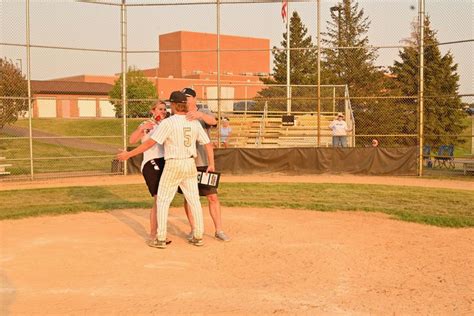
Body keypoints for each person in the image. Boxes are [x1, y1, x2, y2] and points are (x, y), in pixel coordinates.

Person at [117, 91, 214, 249]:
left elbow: (149, 144)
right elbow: (208, 144)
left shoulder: (168, 123)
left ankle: (160, 238)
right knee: (194, 200)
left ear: (174, 105)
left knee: (162, 200)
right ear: (185, 104)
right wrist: (211, 163)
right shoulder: (194, 122)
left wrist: (129, 154)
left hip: (173, 163)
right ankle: (198, 236)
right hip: (190, 164)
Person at [181, 87, 231, 242]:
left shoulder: (203, 112)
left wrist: (199, 115)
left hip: (203, 162)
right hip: (186, 162)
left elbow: (214, 121)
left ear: (195, 99)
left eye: (188, 97)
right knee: (189, 198)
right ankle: (193, 229)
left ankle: (219, 230)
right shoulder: (179, 114)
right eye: (184, 97)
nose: (186, 100)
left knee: (212, 196)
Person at [128, 101, 168, 246]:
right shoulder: (147, 124)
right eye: (159, 109)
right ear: (152, 111)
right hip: (151, 162)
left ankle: (160, 232)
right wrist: (142, 129)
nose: (162, 111)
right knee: (158, 198)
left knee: (163, 199)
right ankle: (153, 234)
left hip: (166, 162)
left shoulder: (167, 124)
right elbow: (132, 140)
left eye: (164, 109)